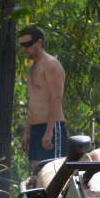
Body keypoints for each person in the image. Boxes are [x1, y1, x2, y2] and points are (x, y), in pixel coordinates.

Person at [18, 25, 67, 167]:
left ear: (39, 43)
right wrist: (27, 132)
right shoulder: (31, 68)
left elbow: (56, 98)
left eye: (27, 44)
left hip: (52, 128)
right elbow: (33, 102)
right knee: (37, 175)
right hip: (36, 129)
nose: (24, 49)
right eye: (22, 45)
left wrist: (49, 131)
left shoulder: (51, 64)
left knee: (52, 174)